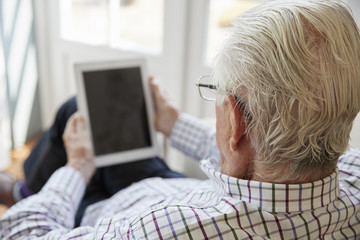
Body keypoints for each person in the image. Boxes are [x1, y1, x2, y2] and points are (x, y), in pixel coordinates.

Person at [1, 0, 360, 238]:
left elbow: (19, 232)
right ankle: (32, 187)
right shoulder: (353, 176)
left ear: (234, 122)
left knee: (74, 113)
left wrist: (78, 167)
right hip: (170, 185)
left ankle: (27, 192)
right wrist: (172, 124)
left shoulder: (162, 230)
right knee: (93, 104)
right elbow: (271, 147)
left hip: (104, 206)